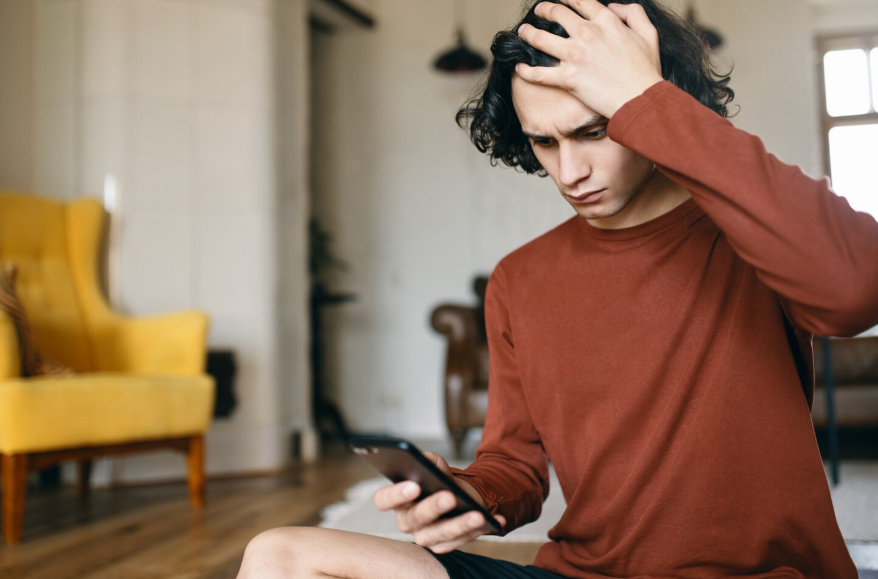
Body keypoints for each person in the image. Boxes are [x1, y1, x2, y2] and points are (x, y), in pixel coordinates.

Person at [237, 0, 878, 577]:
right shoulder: (519, 278)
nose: (570, 172)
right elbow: (513, 468)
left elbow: (855, 290)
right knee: (280, 554)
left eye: (595, 131)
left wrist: (649, 99)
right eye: (544, 141)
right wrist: (466, 498)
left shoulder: (754, 228)